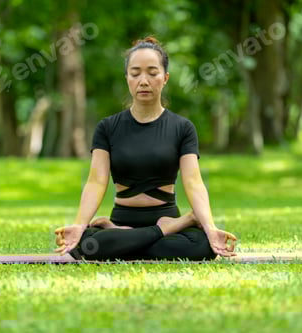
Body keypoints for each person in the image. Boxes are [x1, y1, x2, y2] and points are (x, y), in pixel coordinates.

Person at [54, 36, 237, 261]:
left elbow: (193, 182)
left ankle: (124, 240)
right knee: (84, 244)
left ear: (165, 78)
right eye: (135, 73)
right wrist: (80, 225)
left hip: (164, 215)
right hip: (128, 220)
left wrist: (210, 229)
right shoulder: (107, 128)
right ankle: (161, 231)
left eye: (152, 73)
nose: (143, 81)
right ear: (127, 79)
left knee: (201, 246)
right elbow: (96, 181)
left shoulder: (183, 128)